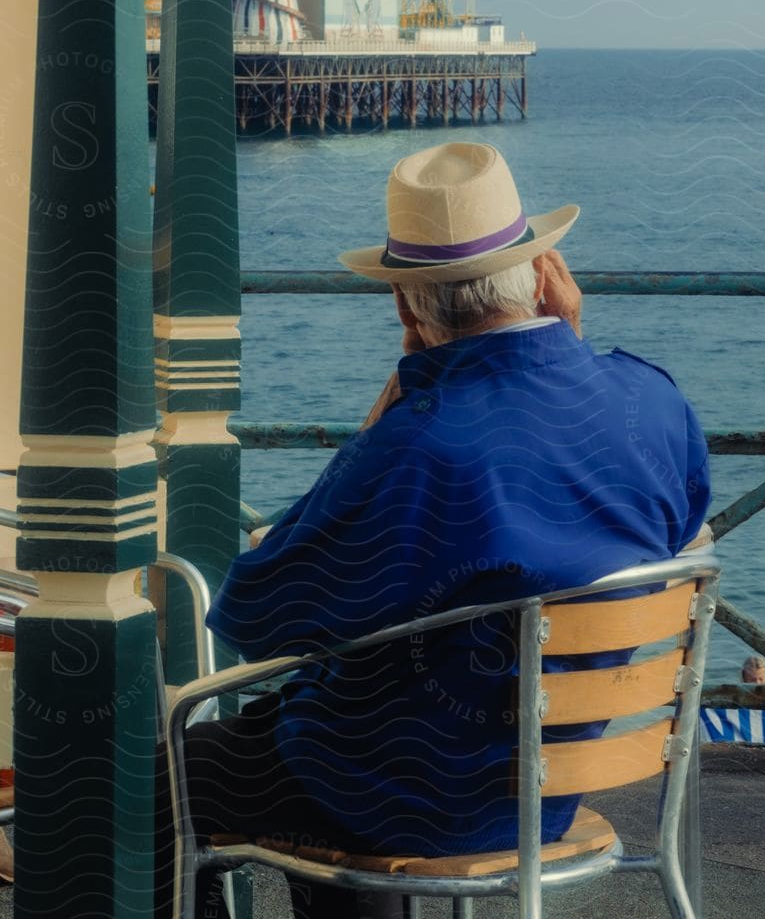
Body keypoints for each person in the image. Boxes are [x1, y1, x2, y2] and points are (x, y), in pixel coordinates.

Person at [161, 142, 710, 919]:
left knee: (158, 782)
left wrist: (374, 428)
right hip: (549, 787)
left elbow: (256, 618)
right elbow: (680, 534)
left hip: (404, 794)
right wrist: (571, 355)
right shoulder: (651, 403)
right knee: (340, 731)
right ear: (545, 275)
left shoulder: (415, 446)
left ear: (403, 305)